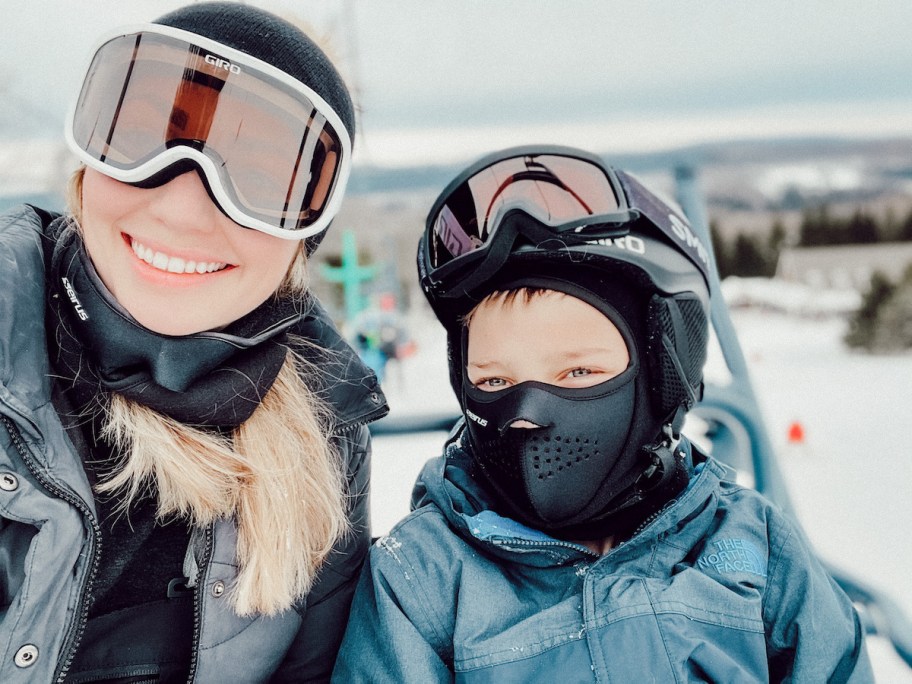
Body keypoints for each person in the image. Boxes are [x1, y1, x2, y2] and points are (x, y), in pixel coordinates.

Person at [333, 146, 872, 681]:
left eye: (578, 374)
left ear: (662, 372)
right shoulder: (422, 577)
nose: (526, 415)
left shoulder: (753, 549)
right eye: (495, 381)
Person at [0, 3, 388, 682]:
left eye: (262, 180)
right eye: (144, 136)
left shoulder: (324, 441)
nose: (181, 206)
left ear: (303, 238)